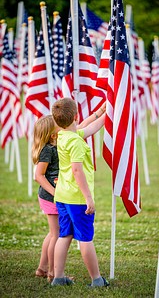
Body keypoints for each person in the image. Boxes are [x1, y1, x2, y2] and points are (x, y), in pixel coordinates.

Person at [51, 98, 109, 287]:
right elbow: (77, 170)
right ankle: (97, 279)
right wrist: (88, 198)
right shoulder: (75, 142)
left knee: (64, 235)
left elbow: (89, 129)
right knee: (85, 238)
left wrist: (105, 113)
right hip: (77, 199)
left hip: (62, 196)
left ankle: (58, 277)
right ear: (76, 116)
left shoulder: (63, 136)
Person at [32, 115, 59, 283]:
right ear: (51, 134)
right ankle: (53, 273)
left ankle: (42, 269)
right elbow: (38, 176)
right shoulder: (47, 149)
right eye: (57, 125)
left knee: (52, 233)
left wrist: (99, 114)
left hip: (50, 196)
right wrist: (56, 194)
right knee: (57, 234)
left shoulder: (53, 146)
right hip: (50, 197)